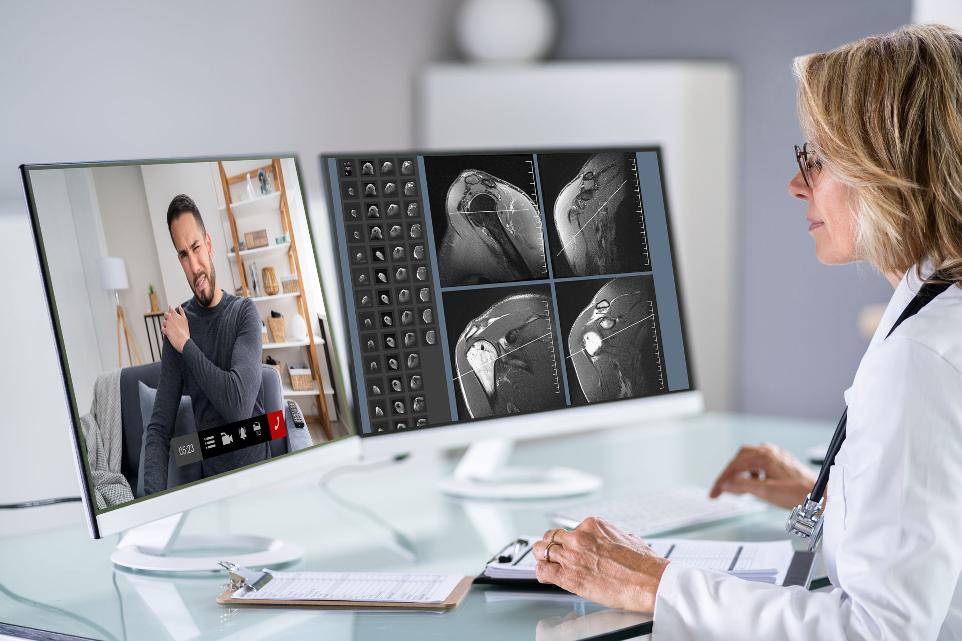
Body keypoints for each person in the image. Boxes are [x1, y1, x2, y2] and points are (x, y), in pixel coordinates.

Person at [532, 24, 962, 640]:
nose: (796, 185)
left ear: (888, 170)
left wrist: (655, 583)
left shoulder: (921, 358)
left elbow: (877, 632)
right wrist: (828, 494)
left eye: (816, 160)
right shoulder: (938, 305)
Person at [142, 194, 267, 495]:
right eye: (184, 254)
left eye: (196, 248)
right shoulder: (178, 326)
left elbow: (237, 406)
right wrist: (151, 506)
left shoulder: (243, 313)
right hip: (213, 486)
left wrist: (186, 344)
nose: (195, 265)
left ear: (209, 245)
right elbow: (159, 430)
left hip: (259, 476)